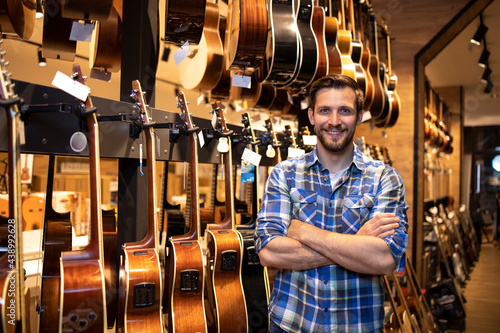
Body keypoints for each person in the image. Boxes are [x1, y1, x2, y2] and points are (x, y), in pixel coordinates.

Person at [254, 74, 409, 333]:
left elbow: (384, 258)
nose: (334, 121)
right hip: (290, 323)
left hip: (358, 326)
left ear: (359, 116)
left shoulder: (385, 177)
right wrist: (357, 243)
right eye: (325, 110)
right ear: (312, 116)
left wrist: (302, 231)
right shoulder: (284, 173)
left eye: (345, 111)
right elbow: (269, 252)